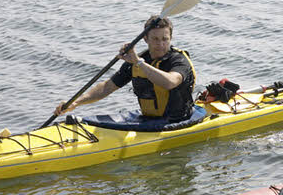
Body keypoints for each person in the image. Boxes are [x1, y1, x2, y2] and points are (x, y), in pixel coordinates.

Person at [55, 16, 196, 122]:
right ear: (145, 39)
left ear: (171, 38)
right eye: (155, 39)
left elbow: (170, 82)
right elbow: (107, 87)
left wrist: (138, 62)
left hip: (178, 121)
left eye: (165, 39)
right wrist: (76, 102)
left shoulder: (178, 60)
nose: (161, 44)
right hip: (149, 121)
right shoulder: (137, 60)